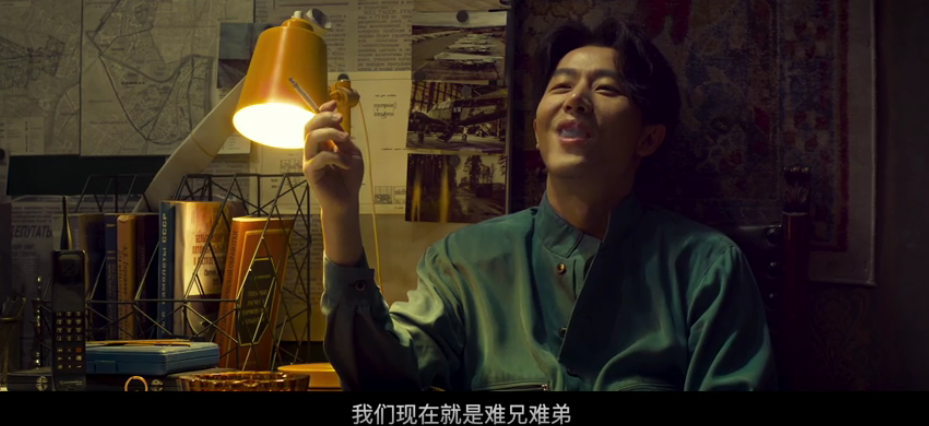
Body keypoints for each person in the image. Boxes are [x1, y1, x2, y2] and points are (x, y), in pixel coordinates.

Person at [303, 18, 776, 391]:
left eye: (606, 89)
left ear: (648, 138)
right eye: (561, 86)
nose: (576, 100)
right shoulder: (464, 264)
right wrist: (340, 213)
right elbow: (382, 382)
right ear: (537, 128)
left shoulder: (705, 268)